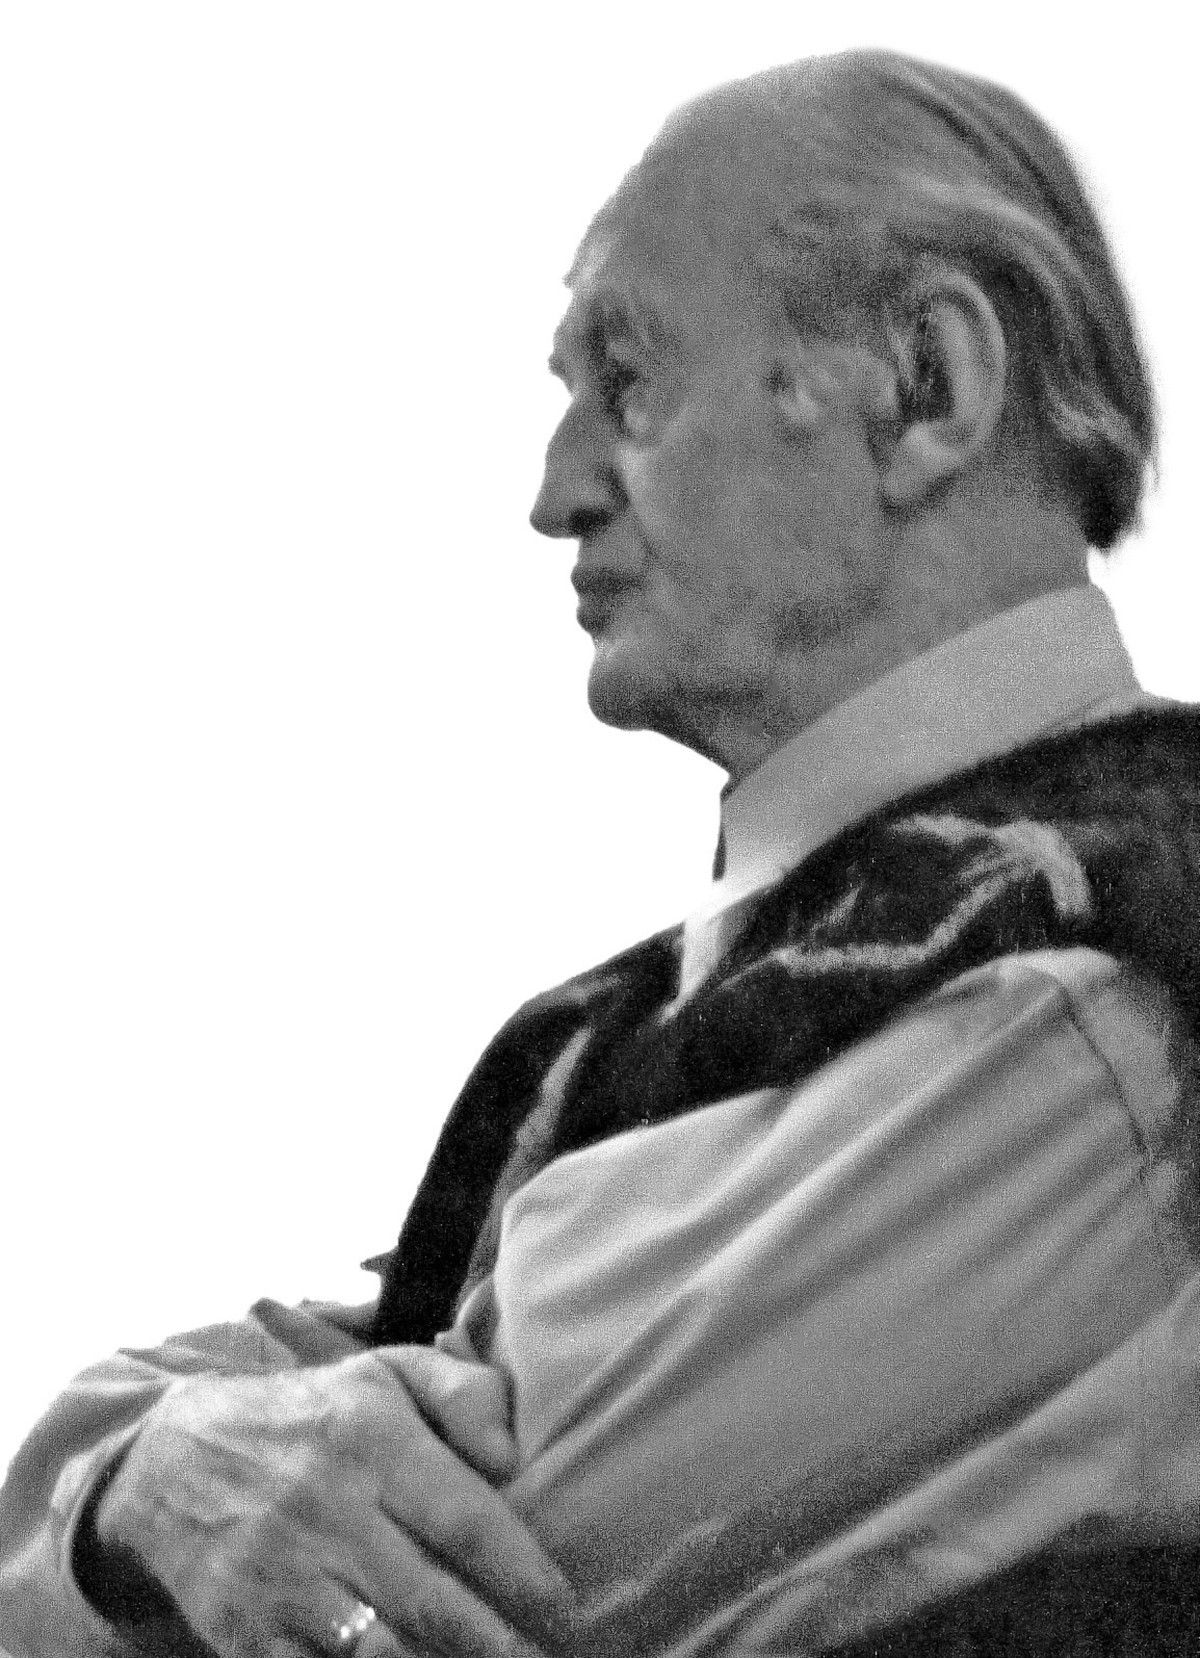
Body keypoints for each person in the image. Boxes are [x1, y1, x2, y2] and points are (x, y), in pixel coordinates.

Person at [3, 45, 1199, 1658]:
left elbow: (463, 1560)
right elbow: (306, 1417)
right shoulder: (748, 988)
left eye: (628, 384)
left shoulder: (1103, 987)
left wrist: (133, 1514)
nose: (554, 493)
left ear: (929, 384)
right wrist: (134, 1483)